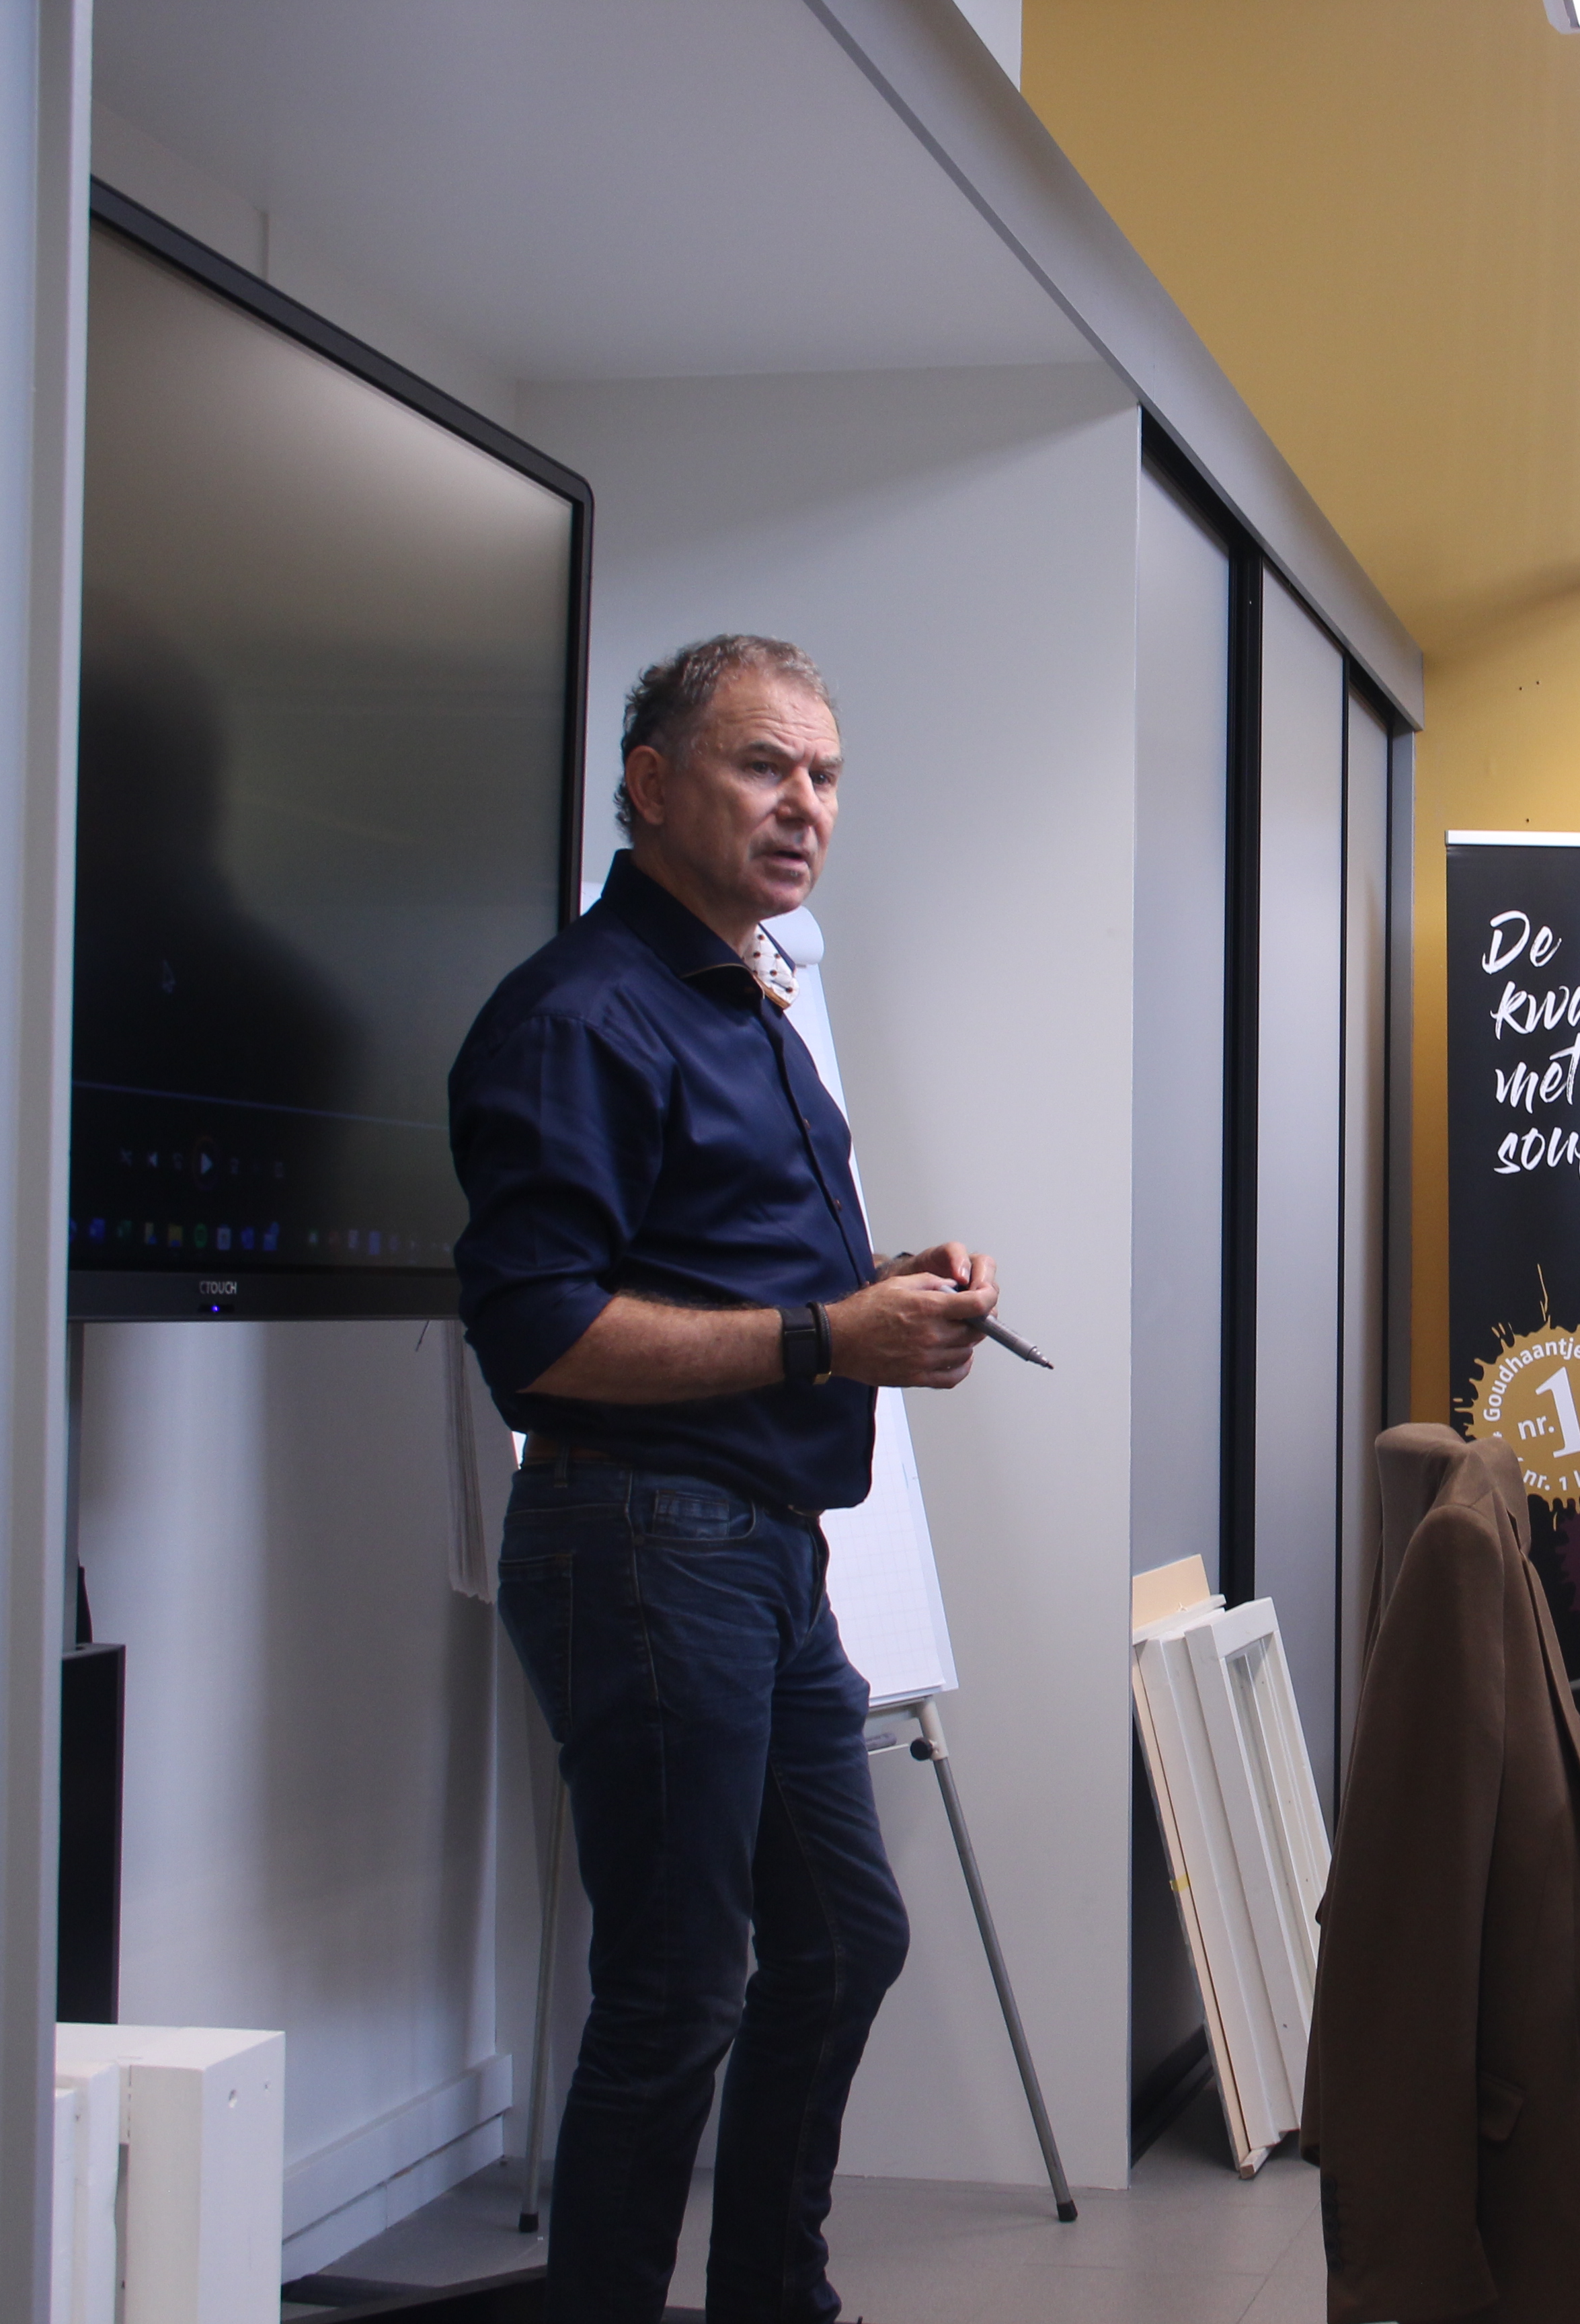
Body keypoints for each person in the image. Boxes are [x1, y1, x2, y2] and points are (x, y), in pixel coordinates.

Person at [450, 635, 1000, 2324]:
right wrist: (826, 1340)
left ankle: (776, 2295)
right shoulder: (580, 1013)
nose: (805, 806)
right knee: (678, 1983)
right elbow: (538, 1334)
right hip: (640, 1531)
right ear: (653, 783)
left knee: (840, 1938)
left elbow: (720, 1256)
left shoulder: (741, 986)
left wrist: (885, 1279)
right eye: (767, 766)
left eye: (824, 776)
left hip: (755, 1547)